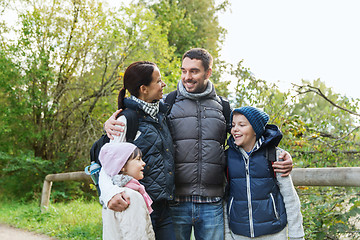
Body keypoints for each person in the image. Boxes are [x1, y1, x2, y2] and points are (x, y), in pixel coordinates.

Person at [104, 48, 293, 240]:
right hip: (174, 204)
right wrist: (109, 125)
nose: (187, 77)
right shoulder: (166, 104)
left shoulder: (224, 107)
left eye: (194, 71)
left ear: (208, 72)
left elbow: (250, 134)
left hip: (212, 205)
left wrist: (279, 153)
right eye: (183, 71)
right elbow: (112, 147)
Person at [98, 61, 176, 240]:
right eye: (158, 81)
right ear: (144, 89)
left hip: (165, 208)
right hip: (140, 206)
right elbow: (108, 167)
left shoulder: (161, 115)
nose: (163, 84)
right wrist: (110, 194)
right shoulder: (126, 121)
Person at [225, 106, 304, 240]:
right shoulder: (227, 158)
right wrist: (227, 235)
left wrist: (297, 235)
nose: (235, 129)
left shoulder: (274, 155)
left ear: (255, 130)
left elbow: (290, 198)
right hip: (239, 234)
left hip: (274, 234)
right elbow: (224, 199)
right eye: (233, 125)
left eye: (242, 125)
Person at [99, 142, 155, 240]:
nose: (143, 163)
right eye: (138, 159)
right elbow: (137, 236)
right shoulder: (130, 196)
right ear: (122, 166)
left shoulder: (110, 196)